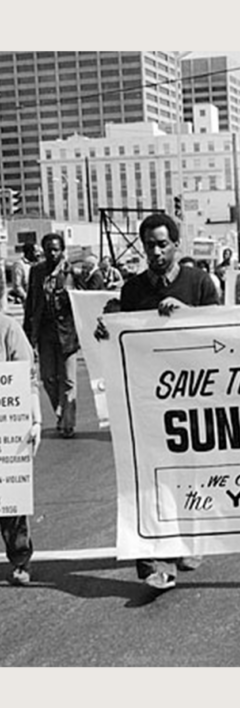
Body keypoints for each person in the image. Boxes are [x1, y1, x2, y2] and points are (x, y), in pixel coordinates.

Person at [96, 213, 220, 591]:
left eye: (162, 243)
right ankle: (152, 559)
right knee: (147, 475)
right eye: (149, 244)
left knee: (190, 473)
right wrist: (106, 331)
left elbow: (221, 331)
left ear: (176, 245)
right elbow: (123, 336)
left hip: (193, 395)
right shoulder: (133, 291)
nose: (155, 251)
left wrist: (183, 316)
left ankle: (189, 540)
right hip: (149, 398)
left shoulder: (199, 283)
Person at [23, 232, 79, 439]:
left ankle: (68, 423)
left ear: (62, 250)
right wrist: (28, 334)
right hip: (45, 332)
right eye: (48, 249)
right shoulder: (36, 272)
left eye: (56, 249)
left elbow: (83, 299)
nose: (52, 253)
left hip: (68, 333)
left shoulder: (71, 271)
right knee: (47, 377)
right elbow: (31, 301)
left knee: (69, 380)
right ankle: (60, 410)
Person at [0, 312, 42, 585]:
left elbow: (26, 377)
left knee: (8, 498)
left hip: (5, 426)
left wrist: (35, 419)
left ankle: (19, 557)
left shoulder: (8, 328)